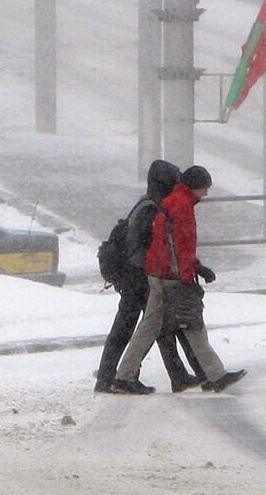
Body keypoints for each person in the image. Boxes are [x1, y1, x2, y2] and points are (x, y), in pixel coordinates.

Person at [112, 165, 246, 394]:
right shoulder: (181, 206)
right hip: (169, 275)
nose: (206, 193)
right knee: (192, 323)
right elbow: (177, 247)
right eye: (205, 188)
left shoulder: (174, 202)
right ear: (194, 186)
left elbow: (173, 244)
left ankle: (124, 377)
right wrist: (186, 276)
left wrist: (196, 267)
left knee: (151, 327)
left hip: (159, 271)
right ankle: (216, 376)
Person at [94, 160, 205, 394]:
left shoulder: (147, 204)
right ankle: (119, 378)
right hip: (139, 275)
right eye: (173, 181)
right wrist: (158, 271)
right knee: (147, 327)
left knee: (155, 325)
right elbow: (151, 245)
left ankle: (174, 375)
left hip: (134, 274)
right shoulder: (152, 208)